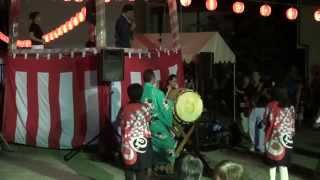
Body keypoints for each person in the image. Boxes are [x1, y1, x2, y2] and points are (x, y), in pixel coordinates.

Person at [141, 69, 176, 174]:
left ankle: (156, 167)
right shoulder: (157, 93)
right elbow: (165, 108)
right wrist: (171, 104)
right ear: (153, 79)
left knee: (153, 145)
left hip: (146, 126)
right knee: (169, 144)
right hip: (157, 125)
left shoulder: (141, 91)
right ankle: (169, 169)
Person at [120, 83, 153, 180]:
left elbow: (121, 125)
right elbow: (149, 122)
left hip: (128, 144)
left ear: (128, 94)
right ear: (141, 94)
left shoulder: (124, 108)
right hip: (142, 143)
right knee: (141, 170)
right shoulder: (145, 108)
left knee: (129, 170)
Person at [264, 88, 295, 180]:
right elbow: (292, 123)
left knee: (272, 164)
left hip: (273, 137)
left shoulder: (271, 105)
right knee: (283, 165)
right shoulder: (290, 106)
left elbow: (266, 120)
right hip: (287, 139)